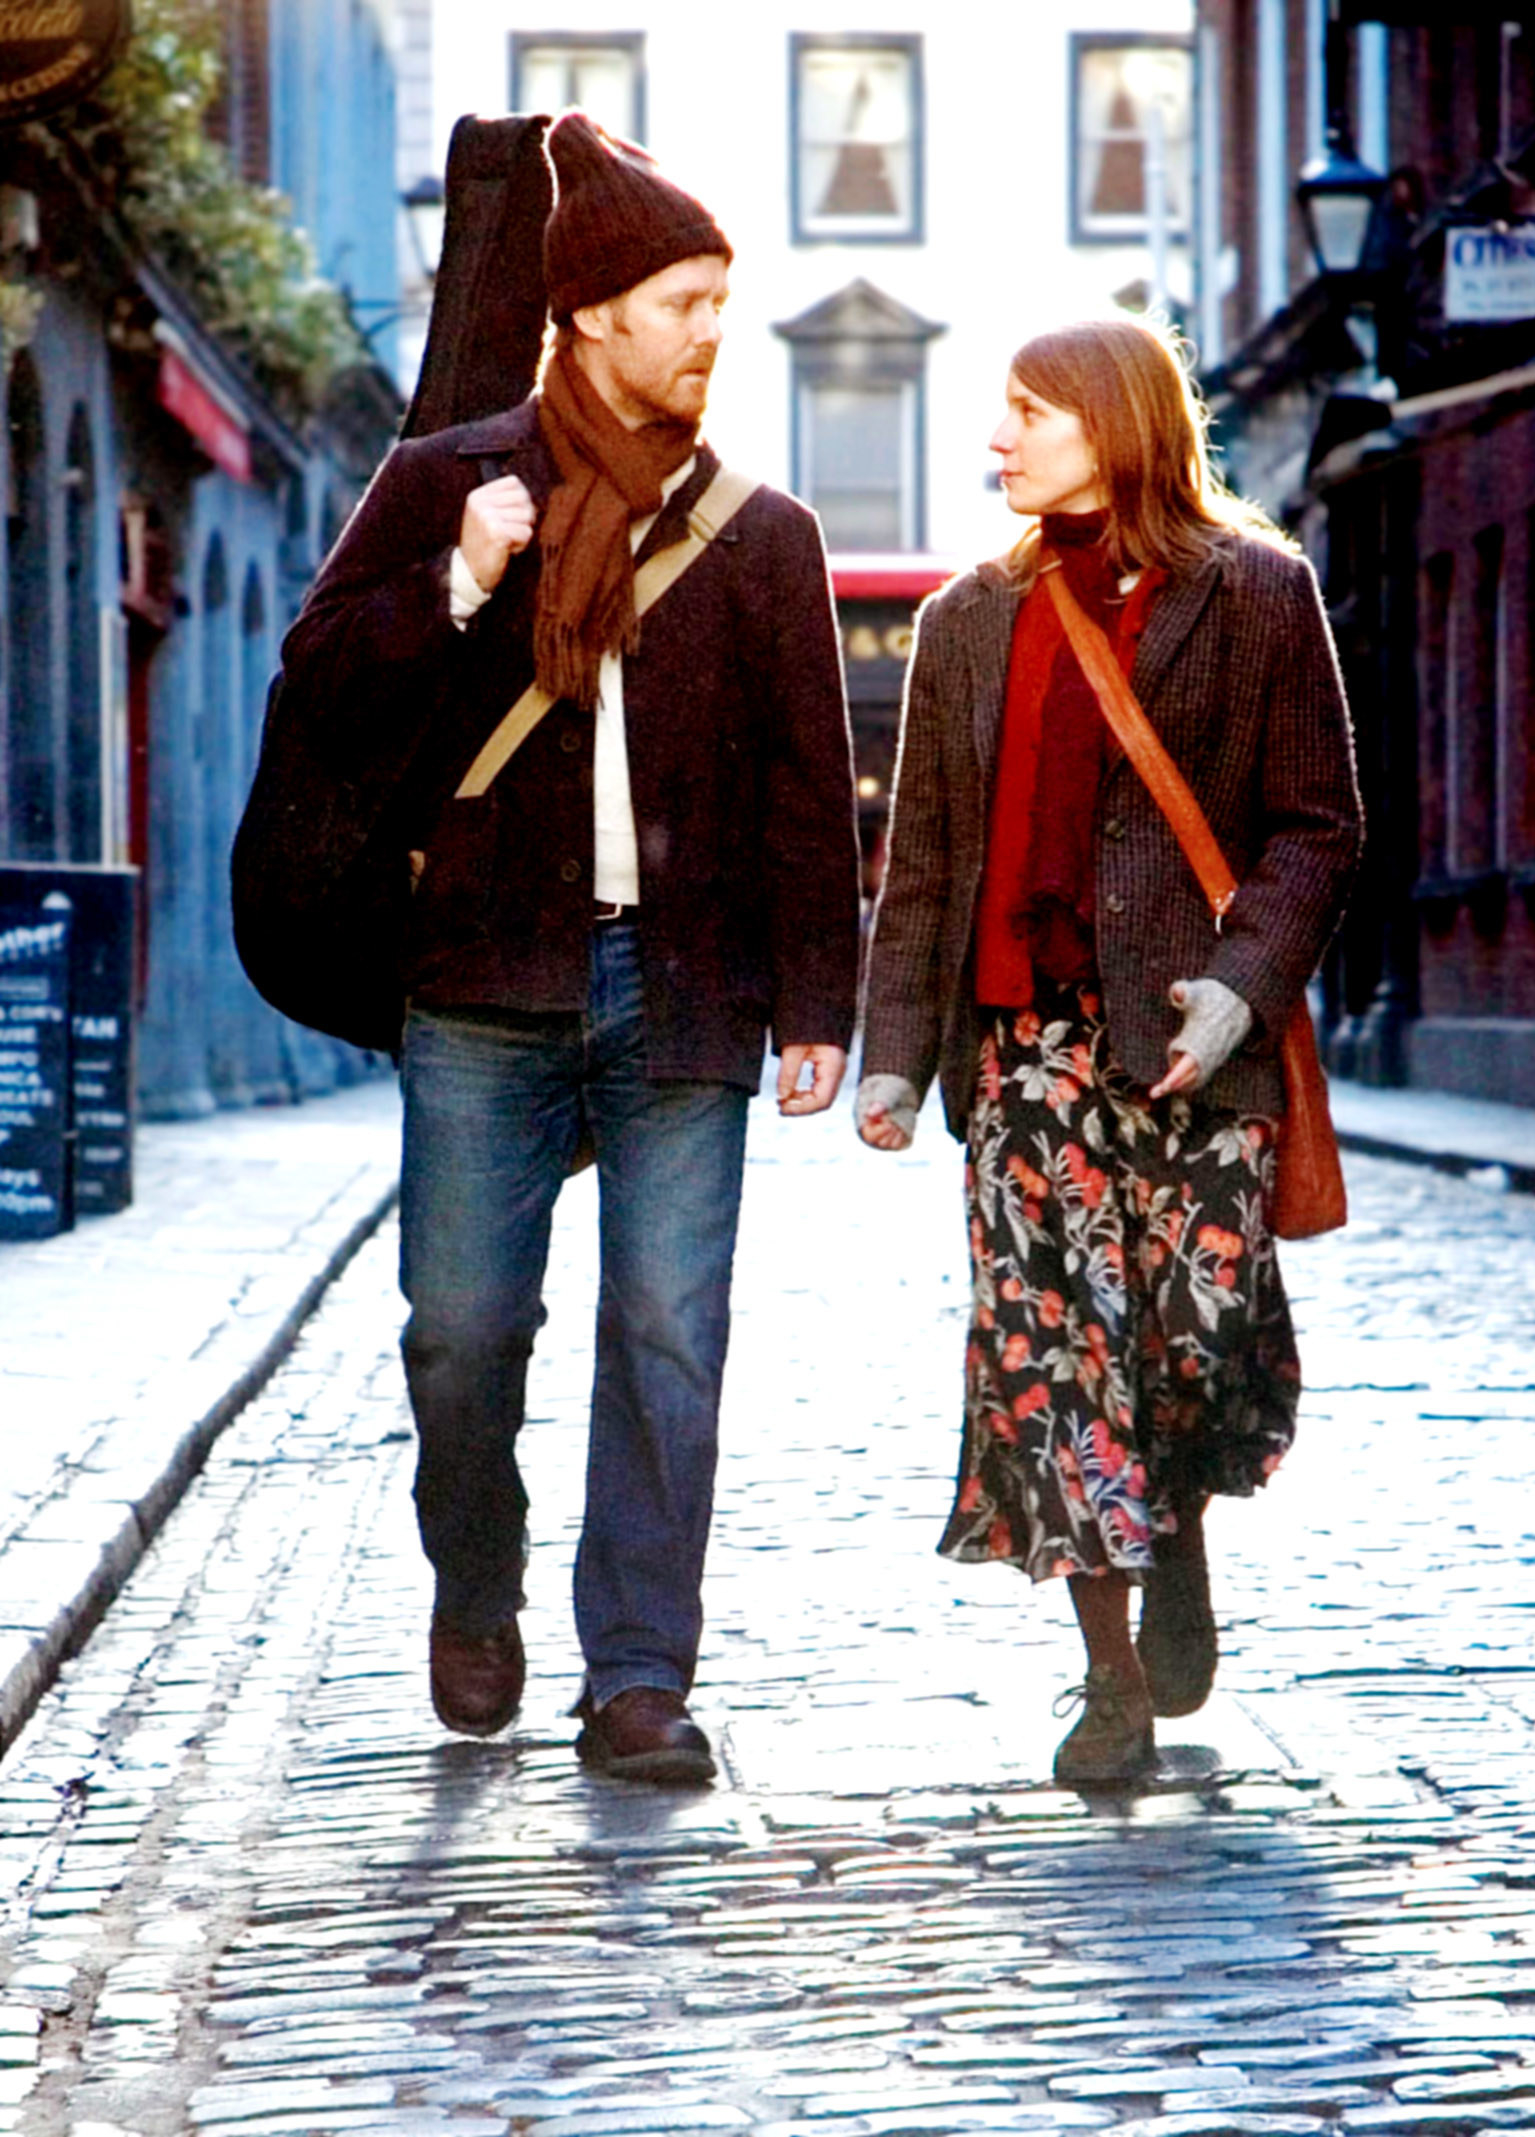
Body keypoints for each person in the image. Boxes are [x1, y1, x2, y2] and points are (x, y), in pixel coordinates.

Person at [279, 112, 859, 1782]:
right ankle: (477, 1577)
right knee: (460, 1330)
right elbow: (317, 691)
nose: (707, 330)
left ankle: (637, 1678)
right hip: (481, 981)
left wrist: (815, 996)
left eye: (717, 301)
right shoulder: (448, 477)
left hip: (681, 991)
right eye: (683, 297)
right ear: (594, 310)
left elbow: (807, 787)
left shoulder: (761, 532)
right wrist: (454, 586)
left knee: (669, 1333)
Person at [855, 315, 1362, 1785]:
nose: (997, 442)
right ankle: (1109, 1673)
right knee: (1051, 1357)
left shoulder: (1258, 594)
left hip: (1192, 1048)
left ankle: (1179, 1528)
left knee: (1188, 1350)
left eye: (1026, 414)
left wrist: (1238, 988)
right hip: (1023, 1051)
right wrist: (896, 1054)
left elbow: (1317, 826)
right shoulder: (965, 621)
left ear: (1114, 424)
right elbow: (928, 862)